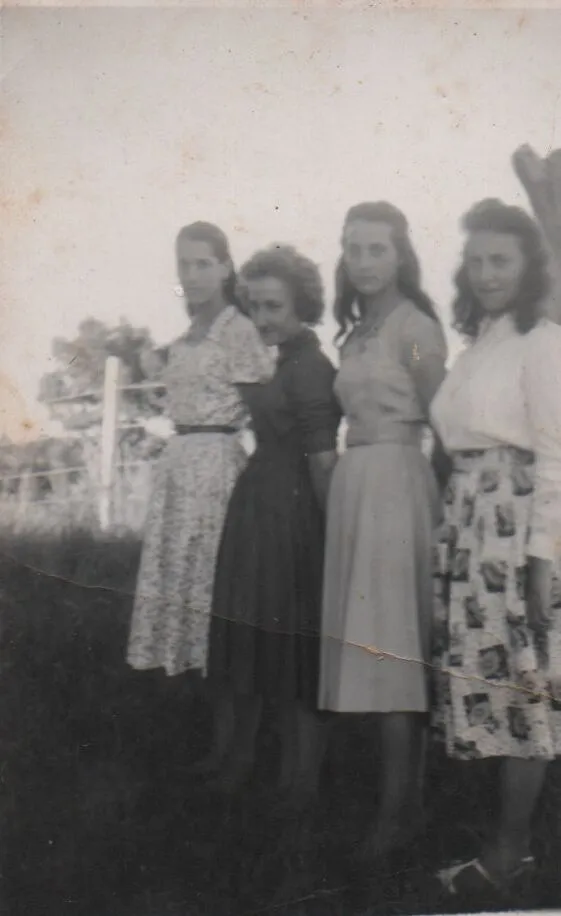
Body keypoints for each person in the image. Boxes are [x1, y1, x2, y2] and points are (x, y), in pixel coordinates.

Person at [431, 199, 561, 898]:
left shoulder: (541, 340)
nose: (485, 273)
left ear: (528, 266)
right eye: (476, 261)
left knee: (523, 691)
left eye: (500, 261)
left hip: (513, 532)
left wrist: (542, 559)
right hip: (469, 523)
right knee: (493, 687)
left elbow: (554, 456)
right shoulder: (479, 342)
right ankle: (503, 842)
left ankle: (509, 856)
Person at [318, 202, 448, 861]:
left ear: (401, 255)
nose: (363, 261)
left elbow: (445, 419)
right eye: (352, 248)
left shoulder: (416, 327)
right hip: (356, 485)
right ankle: (397, 799)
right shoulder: (355, 332)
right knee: (369, 648)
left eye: (376, 248)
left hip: (397, 485)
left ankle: (399, 813)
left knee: (394, 650)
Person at [201, 244, 341, 798]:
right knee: (252, 641)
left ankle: (298, 786)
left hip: (293, 518)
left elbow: (323, 460)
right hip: (257, 509)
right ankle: (240, 766)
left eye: (274, 307)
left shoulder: (311, 366)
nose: (262, 319)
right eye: (254, 306)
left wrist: (331, 535)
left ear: (302, 305)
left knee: (292, 648)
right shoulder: (272, 358)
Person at [127, 222, 273, 682]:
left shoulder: (238, 331)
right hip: (178, 466)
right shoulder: (189, 333)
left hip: (216, 468)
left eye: (203, 264)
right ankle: (186, 693)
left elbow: (263, 416)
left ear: (226, 268)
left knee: (210, 583)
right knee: (178, 579)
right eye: (184, 265)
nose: (192, 275)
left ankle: (222, 706)